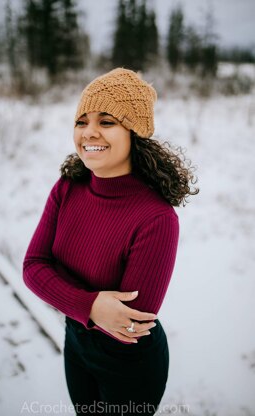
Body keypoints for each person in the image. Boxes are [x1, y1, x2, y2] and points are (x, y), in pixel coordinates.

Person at [23, 67, 198, 416]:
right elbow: (32, 268)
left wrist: (65, 292)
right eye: (81, 121)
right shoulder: (67, 188)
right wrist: (91, 306)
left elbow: (130, 324)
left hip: (129, 365)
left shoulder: (156, 218)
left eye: (106, 122)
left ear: (134, 132)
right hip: (75, 342)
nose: (89, 132)